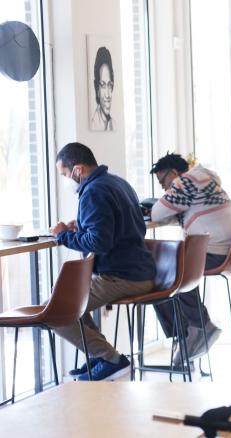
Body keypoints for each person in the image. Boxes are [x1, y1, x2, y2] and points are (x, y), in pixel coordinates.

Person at [51, 143, 156, 381]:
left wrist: (62, 235)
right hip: (140, 271)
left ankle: (113, 360)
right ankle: (100, 356)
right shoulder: (118, 182)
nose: (66, 180)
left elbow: (99, 243)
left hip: (123, 276)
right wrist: (83, 227)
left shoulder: (93, 191)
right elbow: (124, 227)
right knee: (72, 302)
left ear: (78, 170)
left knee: (57, 310)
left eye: (65, 175)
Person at [149, 153, 231, 360]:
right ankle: (189, 333)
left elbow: (155, 214)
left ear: (173, 173)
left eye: (163, 181)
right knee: (165, 270)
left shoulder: (186, 181)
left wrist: (161, 202)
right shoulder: (205, 180)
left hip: (216, 253)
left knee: (164, 271)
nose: (164, 188)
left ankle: (197, 328)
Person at [90, 47, 114, 131]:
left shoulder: (113, 124)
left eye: (109, 85)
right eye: (103, 85)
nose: (107, 95)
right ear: (97, 89)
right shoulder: (94, 123)